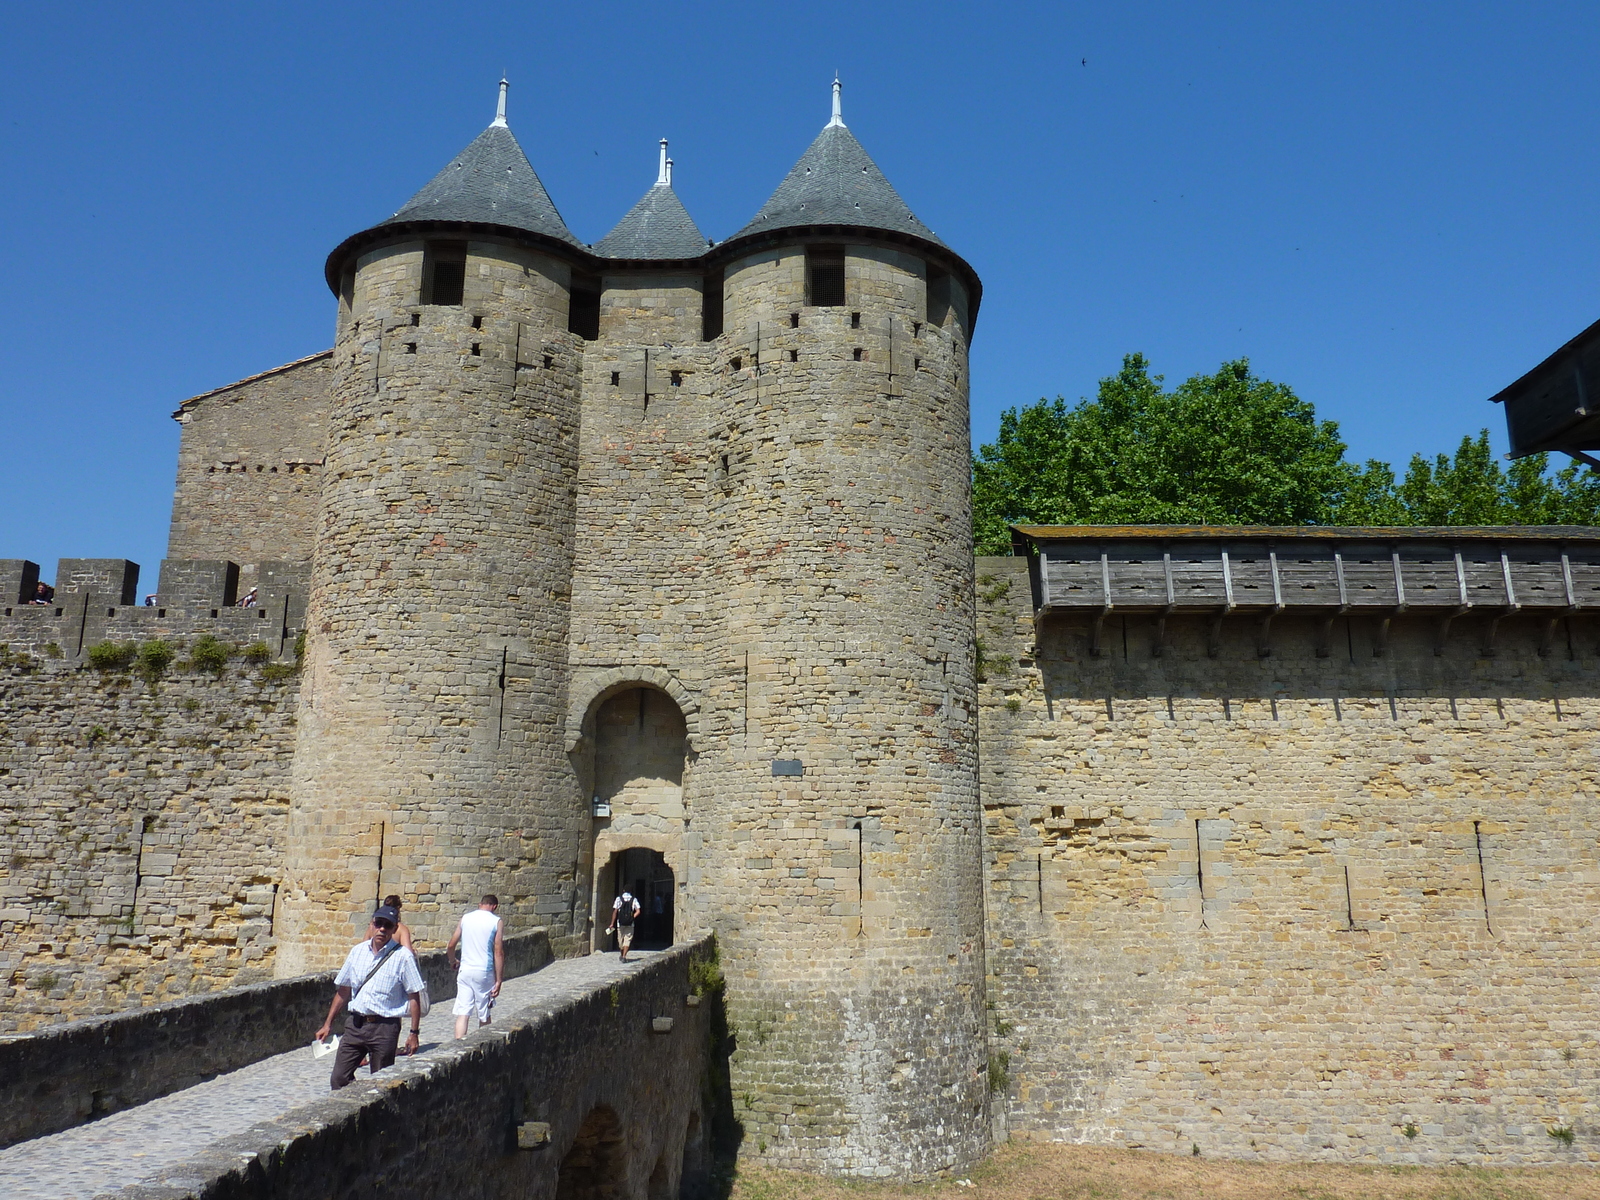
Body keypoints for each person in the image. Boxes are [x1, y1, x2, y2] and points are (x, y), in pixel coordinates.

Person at [313, 904, 424, 1090]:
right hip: (355, 1025)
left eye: (387, 925)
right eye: (378, 923)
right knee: (339, 1078)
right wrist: (327, 1024)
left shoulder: (403, 957)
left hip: (385, 1028)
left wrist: (414, 1033)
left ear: (394, 928)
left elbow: (414, 996)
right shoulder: (357, 952)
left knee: (380, 1085)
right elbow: (343, 990)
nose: (382, 929)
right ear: (371, 924)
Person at [445, 894, 503, 1039]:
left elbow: (451, 945)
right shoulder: (496, 921)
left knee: (463, 1013)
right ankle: (484, 1045)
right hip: (484, 971)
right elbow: (498, 952)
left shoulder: (466, 918)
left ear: (480, 904)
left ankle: (458, 1046)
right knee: (484, 1013)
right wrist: (499, 979)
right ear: (494, 906)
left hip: (465, 970)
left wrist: (453, 961)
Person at [607, 890, 641, 961]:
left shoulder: (618, 899)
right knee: (627, 940)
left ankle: (623, 955)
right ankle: (624, 956)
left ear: (623, 890)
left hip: (620, 923)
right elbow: (638, 911)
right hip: (630, 924)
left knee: (620, 940)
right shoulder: (634, 899)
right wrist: (631, 918)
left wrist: (612, 923)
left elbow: (615, 911)